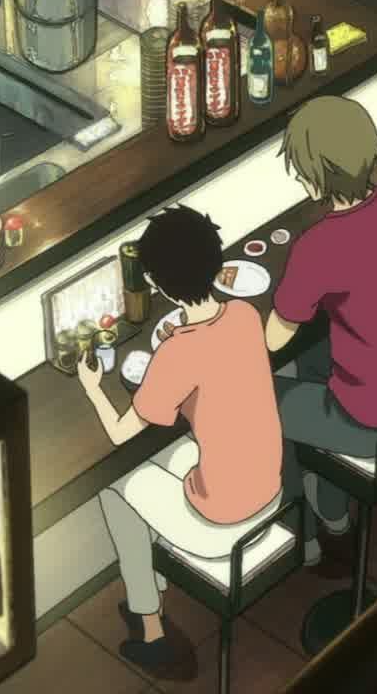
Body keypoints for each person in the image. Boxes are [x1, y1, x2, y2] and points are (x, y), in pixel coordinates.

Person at [76, 204, 283, 669]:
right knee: (162, 460)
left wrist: (92, 388)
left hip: (223, 521)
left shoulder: (177, 351)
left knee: (114, 487)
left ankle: (151, 626)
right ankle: (154, 575)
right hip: (271, 491)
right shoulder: (245, 314)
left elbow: (120, 434)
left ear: (157, 283)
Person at [266, 95, 377, 567]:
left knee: (263, 399)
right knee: (314, 356)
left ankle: (314, 533)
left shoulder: (319, 246)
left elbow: (272, 339)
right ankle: (325, 507)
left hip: (368, 421)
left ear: (316, 174)